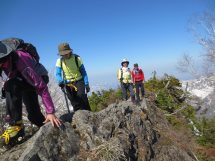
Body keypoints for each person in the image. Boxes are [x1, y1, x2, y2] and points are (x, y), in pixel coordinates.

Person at [0, 40, 61, 145]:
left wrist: (50, 112)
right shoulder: (3, 63)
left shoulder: (20, 59)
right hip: (22, 81)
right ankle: (51, 131)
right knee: (34, 116)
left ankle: (16, 125)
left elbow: (41, 87)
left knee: (11, 85)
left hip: (39, 77)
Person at [55, 42, 91, 111]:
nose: (65, 55)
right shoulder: (59, 61)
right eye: (63, 54)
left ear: (70, 51)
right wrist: (60, 81)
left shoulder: (77, 58)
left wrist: (86, 84)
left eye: (66, 53)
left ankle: (89, 115)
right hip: (67, 83)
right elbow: (58, 73)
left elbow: (83, 72)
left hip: (79, 81)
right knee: (74, 102)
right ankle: (78, 117)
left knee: (82, 98)